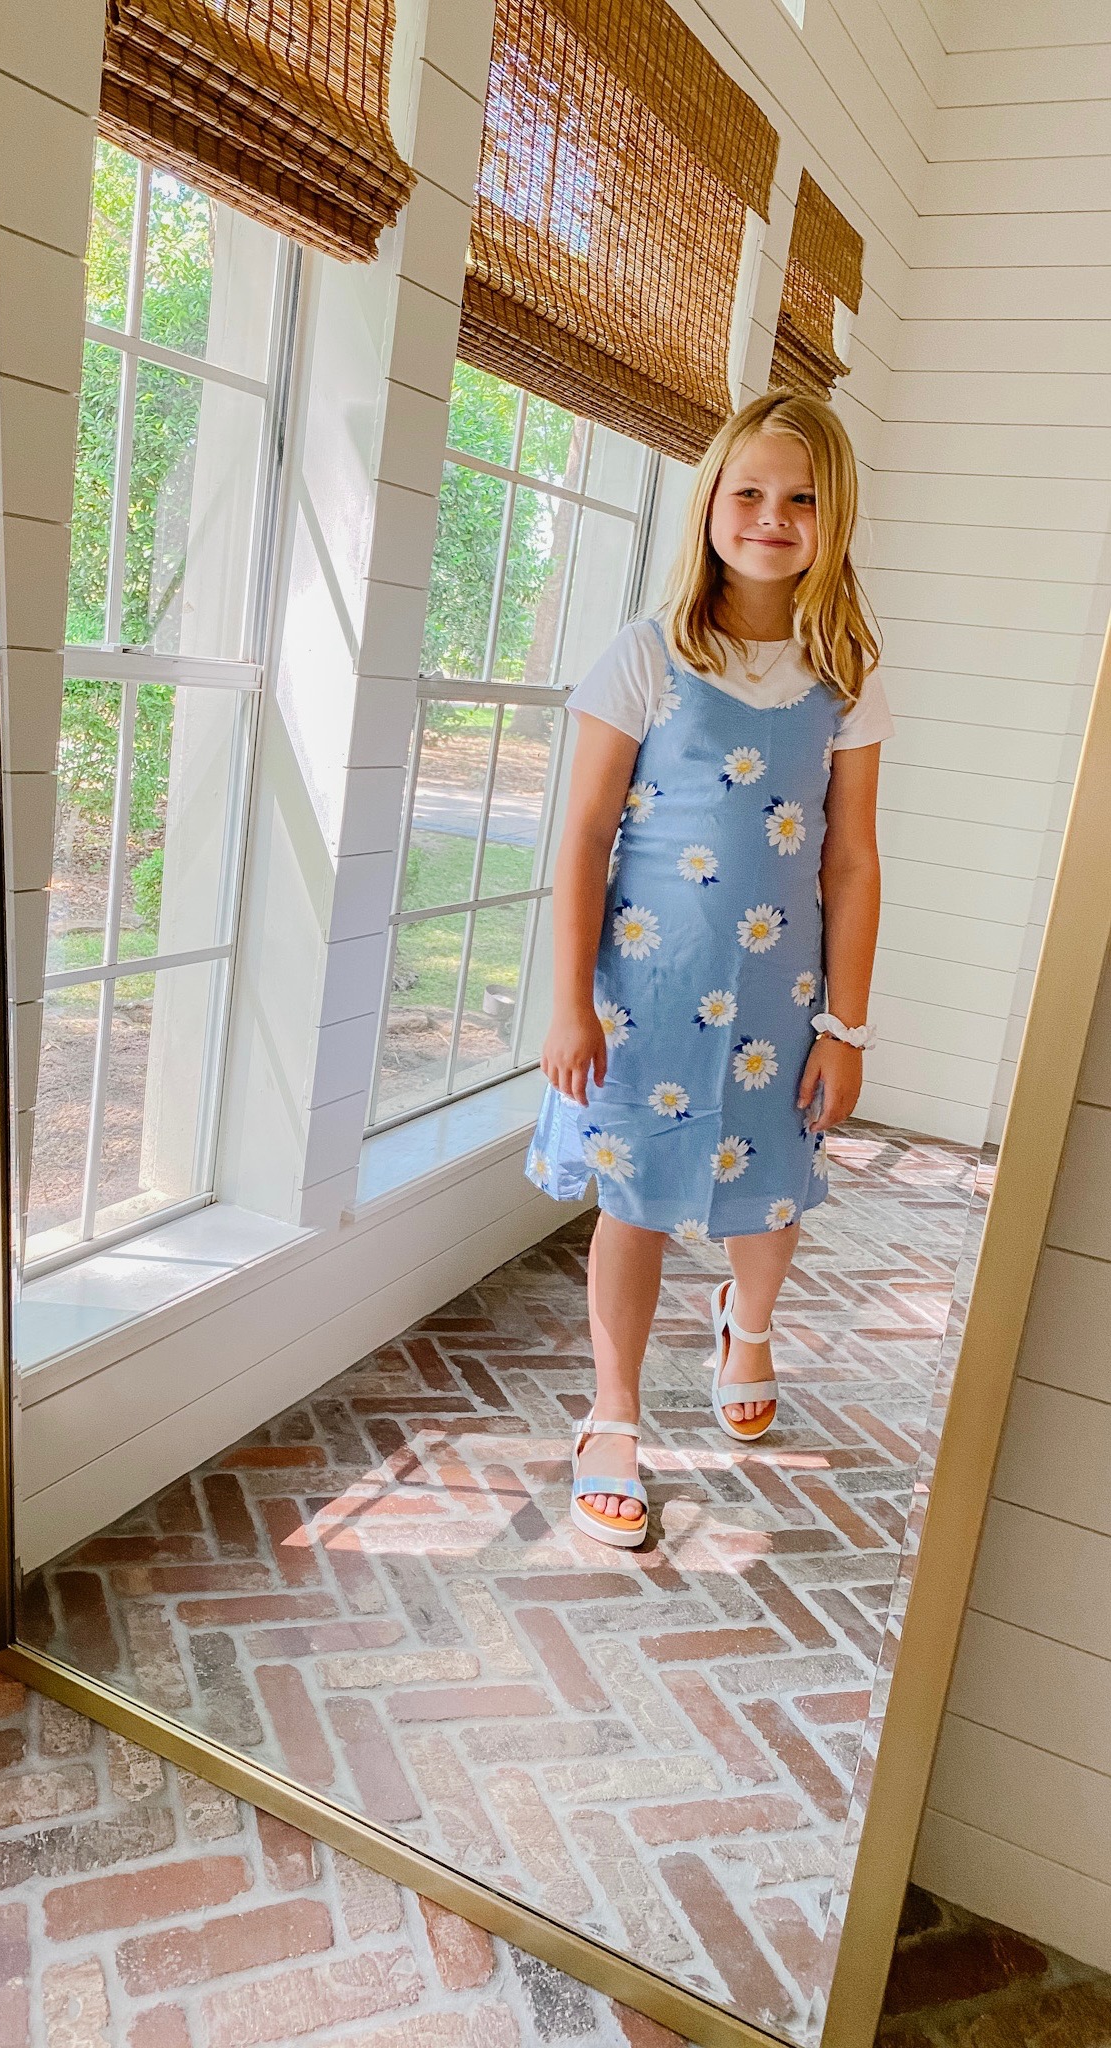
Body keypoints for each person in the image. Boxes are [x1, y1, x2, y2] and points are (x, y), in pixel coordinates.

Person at [525, 390, 891, 1548]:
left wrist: (845, 1026)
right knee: (631, 1199)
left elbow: (850, 856)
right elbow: (582, 836)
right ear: (710, 505)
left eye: (799, 499)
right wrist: (570, 1001)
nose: (770, 517)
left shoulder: (844, 674)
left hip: (781, 1004)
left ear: (830, 520)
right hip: (644, 998)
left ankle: (749, 1320)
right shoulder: (647, 656)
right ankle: (614, 1414)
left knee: (767, 1187)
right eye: (748, 492)